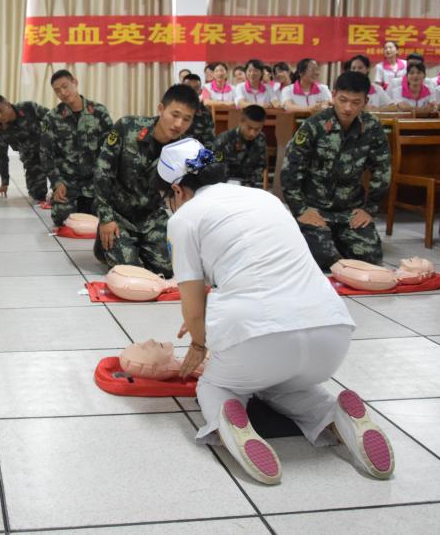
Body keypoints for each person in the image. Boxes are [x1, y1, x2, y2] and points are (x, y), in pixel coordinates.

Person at [158, 138, 393, 485]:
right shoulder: (265, 197)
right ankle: (334, 413)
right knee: (281, 385)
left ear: (176, 189)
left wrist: (198, 344)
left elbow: (193, 309)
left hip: (258, 339)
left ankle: (231, 422)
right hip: (331, 335)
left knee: (215, 384)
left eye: (167, 199)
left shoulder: (185, 218)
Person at [280, 72, 391, 270]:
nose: (348, 108)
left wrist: (369, 209)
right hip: (315, 210)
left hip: (349, 211)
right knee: (323, 260)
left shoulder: (372, 128)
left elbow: (382, 170)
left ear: (365, 101)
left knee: (370, 258)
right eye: (343, 100)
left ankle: (339, 239)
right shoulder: (314, 126)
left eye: (356, 102)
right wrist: (301, 210)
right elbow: (290, 171)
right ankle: (324, 240)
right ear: (333, 96)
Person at [93, 85, 199, 277]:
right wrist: (106, 218)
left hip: (151, 217)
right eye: (175, 114)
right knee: (132, 273)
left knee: (169, 269)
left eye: (186, 119)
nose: (178, 123)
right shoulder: (127, 127)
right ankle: (106, 245)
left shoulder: (184, 150)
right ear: (160, 109)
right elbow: (102, 172)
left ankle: (138, 246)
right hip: (119, 215)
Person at [40, 70, 114, 227]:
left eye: (65, 86)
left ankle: (88, 206)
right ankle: (79, 206)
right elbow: (46, 155)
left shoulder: (99, 112)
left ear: (75, 82)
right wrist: (56, 183)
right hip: (68, 183)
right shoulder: (52, 118)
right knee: (61, 217)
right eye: (57, 90)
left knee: (107, 215)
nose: (63, 93)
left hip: (95, 182)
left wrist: (107, 182)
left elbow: (111, 151)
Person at [0, 95, 49, 201]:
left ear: (8, 105)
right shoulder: (0, 129)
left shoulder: (28, 108)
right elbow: (1, 156)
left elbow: (52, 119)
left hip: (50, 152)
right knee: (37, 194)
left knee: (66, 187)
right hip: (32, 160)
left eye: (1, 111)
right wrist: (4, 182)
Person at [213, 104, 268, 188]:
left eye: (257, 129)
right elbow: (216, 169)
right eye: (249, 128)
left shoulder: (261, 139)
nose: (252, 133)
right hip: (224, 186)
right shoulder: (224, 140)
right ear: (241, 121)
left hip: (249, 186)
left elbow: (261, 165)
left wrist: (250, 183)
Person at [183, 74, 216, 145]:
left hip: (198, 152)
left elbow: (209, 140)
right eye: (188, 87)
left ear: (200, 91)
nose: (191, 91)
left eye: (195, 88)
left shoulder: (205, 112)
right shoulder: (173, 108)